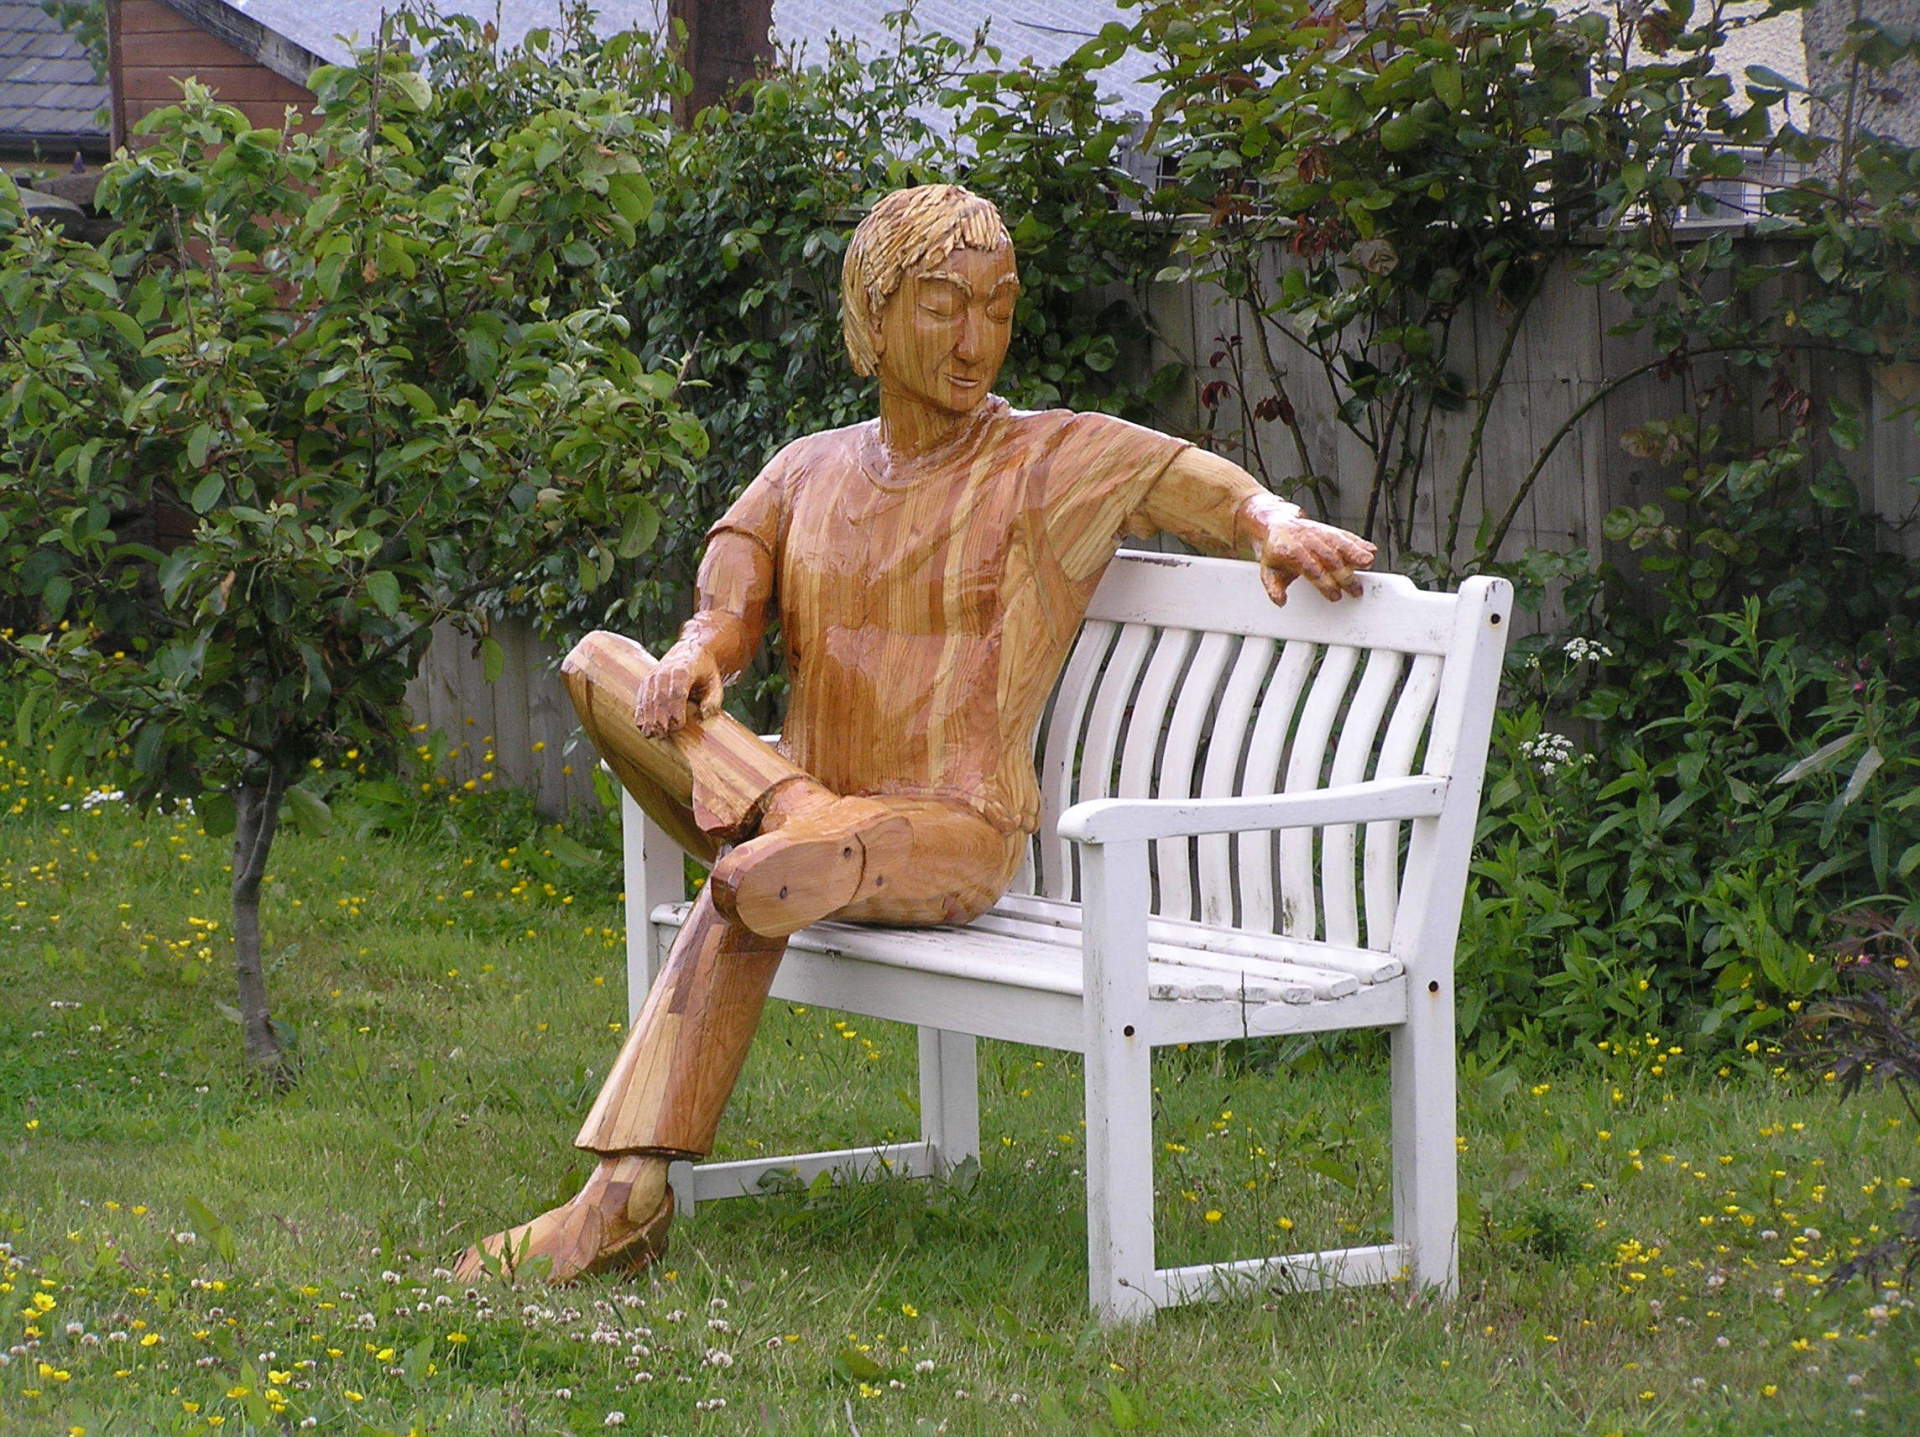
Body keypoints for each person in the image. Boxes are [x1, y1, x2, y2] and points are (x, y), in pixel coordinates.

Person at [455, 183, 1376, 1283]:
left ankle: (619, 1200)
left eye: (999, 308)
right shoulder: (806, 468)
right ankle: (791, 817)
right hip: (797, 804)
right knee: (602, 664)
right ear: (874, 316)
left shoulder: (1047, 460)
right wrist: (698, 652)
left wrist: (1272, 521)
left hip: (950, 829)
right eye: (944, 306)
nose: (975, 339)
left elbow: (1185, 478)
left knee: (757, 869)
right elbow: (729, 594)